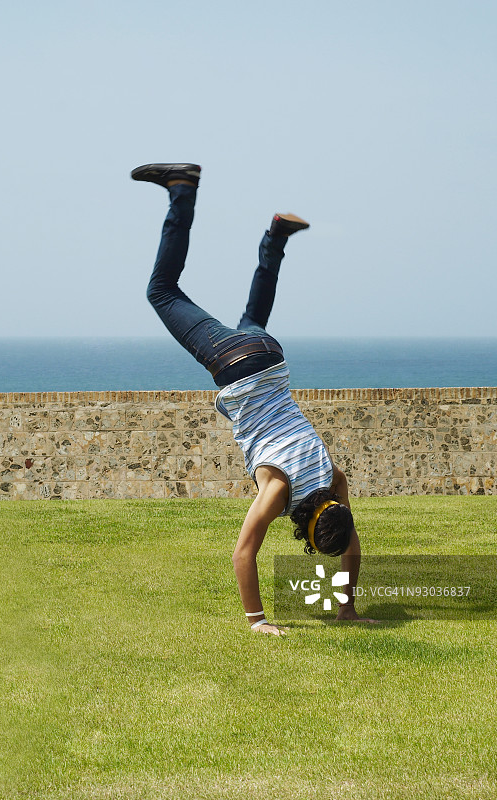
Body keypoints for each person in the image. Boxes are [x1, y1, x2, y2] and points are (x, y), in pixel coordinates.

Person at [132, 162, 376, 635]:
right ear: (304, 532)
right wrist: (258, 622)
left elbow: (352, 543)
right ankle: (182, 189)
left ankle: (277, 237)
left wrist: (347, 609)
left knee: (252, 317)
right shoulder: (279, 491)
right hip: (240, 369)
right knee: (161, 291)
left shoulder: (332, 478)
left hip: (271, 358)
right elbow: (243, 553)